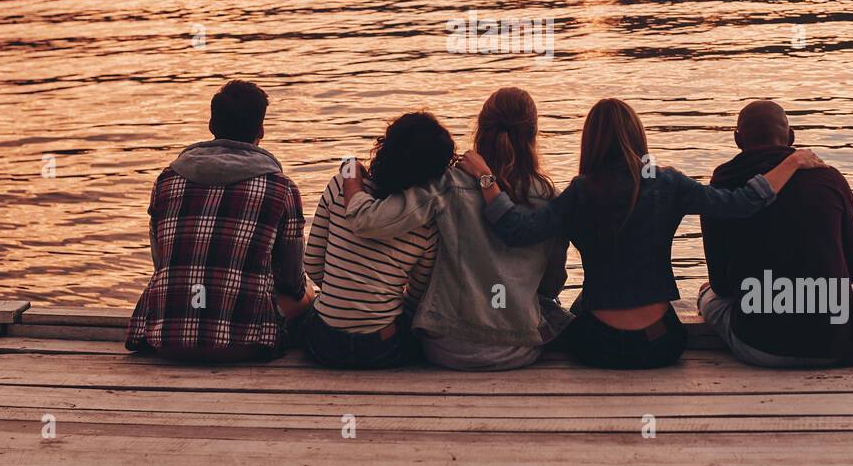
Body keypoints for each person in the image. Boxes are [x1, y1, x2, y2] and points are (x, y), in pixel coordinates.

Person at [460, 97, 827, 369]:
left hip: (596, 346)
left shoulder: (580, 191)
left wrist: (487, 178)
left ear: (591, 142)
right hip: (661, 343)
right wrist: (791, 161)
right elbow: (743, 202)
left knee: (572, 308)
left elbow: (514, 229)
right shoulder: (667, 182)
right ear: (638, 136)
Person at [342, 87, 572, 370]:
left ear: (481, 129)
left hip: (448, 348)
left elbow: (368, 221)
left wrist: (350, 176)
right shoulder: (550, 198)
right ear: (532, 136)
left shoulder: (447, 185)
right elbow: (552, 283)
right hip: (518, 349)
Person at [126, 80, 312, 362]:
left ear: (212, 126)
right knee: (307, 293)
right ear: (260, 130)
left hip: (165, 339)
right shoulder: (280, 188)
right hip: (243, 345)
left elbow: (161, 261)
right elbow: (291, 281)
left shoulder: (166, 181)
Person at [698, 100, 853, 367]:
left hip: (761, 346)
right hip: (838, 344)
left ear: (737, 139)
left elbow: (720, 285)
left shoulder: (723, 183)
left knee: (707, 296)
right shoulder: (830, 178)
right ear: (790, 137)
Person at [303, 112, 452, 368]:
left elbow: (313, 264)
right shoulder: (426, 223)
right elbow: (417, 295)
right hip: (381, 349)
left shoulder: (341, 186)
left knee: (306, 308)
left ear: (385, 147)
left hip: (325, 343)